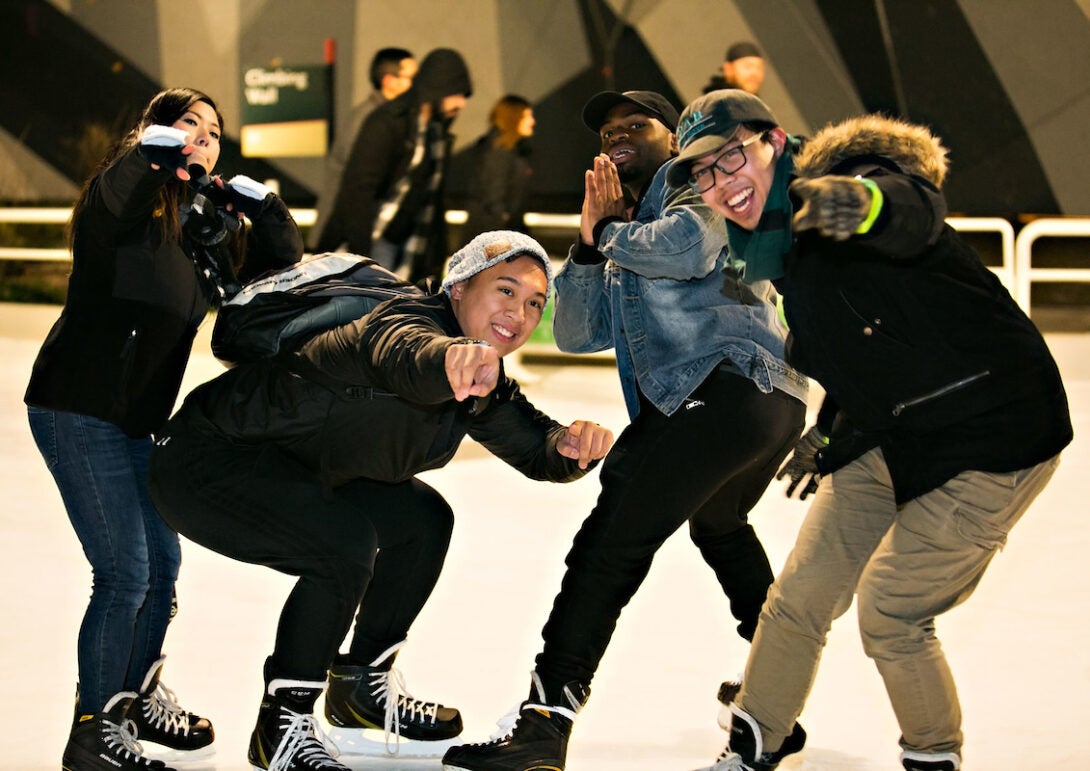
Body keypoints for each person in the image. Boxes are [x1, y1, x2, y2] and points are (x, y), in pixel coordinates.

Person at [666, 90, 1072, 771]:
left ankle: (933, 754)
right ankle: (757, 740)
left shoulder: (854, 181)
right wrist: (827, 430)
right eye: (703, 172)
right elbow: (866, 347)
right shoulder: (774, 254)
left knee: (892, 610)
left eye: (731, 155)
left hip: (994, 437)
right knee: (798, 592)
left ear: (772, 142)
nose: (721, 181)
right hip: (888, 431)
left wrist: (862, 206)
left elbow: (909, 211)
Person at [146, 230, 615, 771]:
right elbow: (401, 352)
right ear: (458, 288)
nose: (521, 313)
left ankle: (361, 687)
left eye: (535, 303)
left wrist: (569, 446)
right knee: (343, 547)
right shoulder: (400, 321)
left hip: (295, 467)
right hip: (207, 462)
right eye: (505, 291)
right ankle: (283, 723)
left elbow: (536, 448)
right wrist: (448, 360)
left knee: (423, 521)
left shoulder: (482, 373)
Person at [442, 90, 809, 771]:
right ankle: (773, 704)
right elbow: (580, 332)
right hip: (766, 405)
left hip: (720, 387)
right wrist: (587, 246)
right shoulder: (627, 233)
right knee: (720, 525)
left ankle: (543, 726)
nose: (616, 135)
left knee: (606, 550)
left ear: (675, 140)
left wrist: (606, 233)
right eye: (607, 128)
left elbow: (691, 247)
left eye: (634, 125)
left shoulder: (689, 181)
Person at [24, 87, 304, 771]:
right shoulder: (117, 208)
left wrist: (262, 209)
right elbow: (118, 190)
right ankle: (95, 730)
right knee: (124, 572)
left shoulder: (198, 231)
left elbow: (281, 266)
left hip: (139, 419)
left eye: (213, 130)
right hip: (78, 406)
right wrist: (152, 153)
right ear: (152, 132)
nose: (204, 137)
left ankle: (136, 695)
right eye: (189, 124)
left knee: (163, 567)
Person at [314, 47, 473, 286]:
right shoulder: (384, 121)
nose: (461, 103)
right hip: (372, 241)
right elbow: (358, 189)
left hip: (402, 243)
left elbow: (431, 200)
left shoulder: (433, 133)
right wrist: (360, 258)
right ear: (439, 87)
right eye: (457, 93)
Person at [309, 47, 416, 252]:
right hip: (343, 234)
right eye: (411, 77)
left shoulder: (391, 118)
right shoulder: (370, 119)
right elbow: (357, 184)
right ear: (389, 81)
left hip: (353, 230)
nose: (417, 85)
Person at [457, 94, 535, 241]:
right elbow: (493, 200)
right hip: (494, 236)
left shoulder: (514, 151)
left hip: (504, 232)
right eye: (527, 116)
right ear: (513, 118)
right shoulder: (497, 152)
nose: (532, 122)